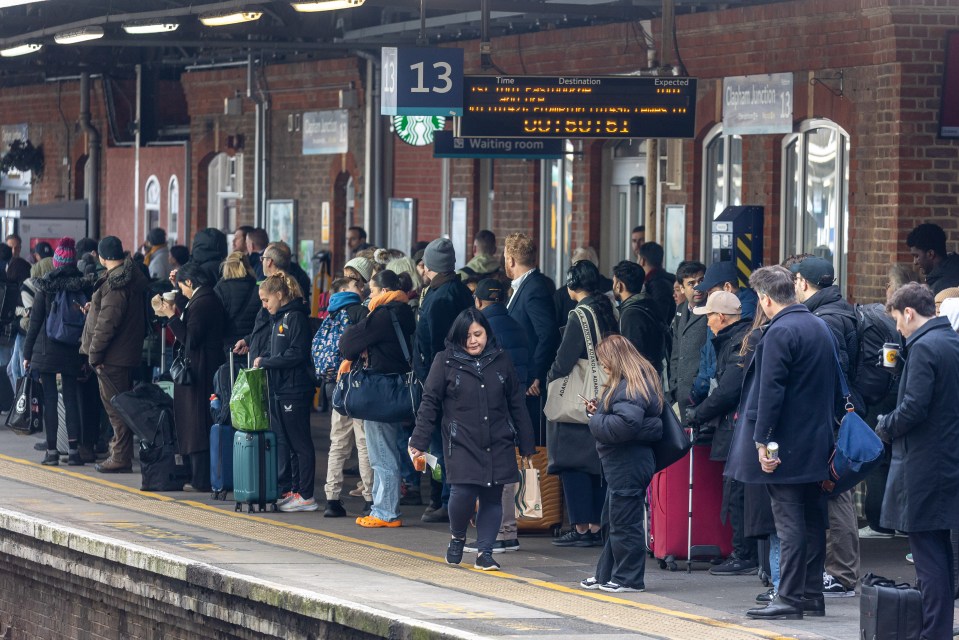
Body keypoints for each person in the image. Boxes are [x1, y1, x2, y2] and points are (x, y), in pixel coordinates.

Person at [726, 265, 840, 621]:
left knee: (788, 523)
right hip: (816, 442)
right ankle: (810, 595)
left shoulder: (779, 332)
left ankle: (788, 598)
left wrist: (762, 440)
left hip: (785, 445)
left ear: (764, 298)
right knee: (811, 521)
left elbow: (770, 391)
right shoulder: (818, 325)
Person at [410, 307, 535, 570]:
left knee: (493, 496)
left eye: (478, 334)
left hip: (498, 438)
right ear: (457, 337)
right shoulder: (444, 361)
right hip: (461, 440)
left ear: (488, 333)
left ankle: (485, 553)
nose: (473, 340)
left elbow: (516, 403)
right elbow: (429, 403)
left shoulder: (501, 360)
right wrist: (419, 441)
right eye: (467, 336)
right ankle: (457, 537)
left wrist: (526, 441)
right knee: (462, 492)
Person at [875, 282, 959, 639]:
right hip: (948, 458)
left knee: (928, 554)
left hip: (925, 463)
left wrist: (884, 426)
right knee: (941, 549)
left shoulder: (924, 347)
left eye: (897, 318)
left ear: (909, 312)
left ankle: (934, 631)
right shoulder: (952, 342)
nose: (897, 328)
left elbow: (914, 407)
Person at [790, 255, 861, 598]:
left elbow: (835, 372)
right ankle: (839, 571)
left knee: (836, 493)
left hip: (832, 418)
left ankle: (842, 573)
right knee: (834, 492)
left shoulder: (827, 320)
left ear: (803, 283)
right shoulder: (837, 311)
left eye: (795, 282)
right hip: (836, 416)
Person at [580, 334, 663, 593]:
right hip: (625, 461)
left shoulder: (629, 387)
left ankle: (629, 579)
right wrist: (601, 411)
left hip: (628, 462)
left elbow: (624, 426)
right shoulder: (633, 383)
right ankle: (606, 574)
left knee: (624, 523)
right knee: (614, 520)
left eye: (605, 361)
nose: (603, 366)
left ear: (616, 360)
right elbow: (632, 423)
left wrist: (595, 420)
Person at [548, 260, 619, 548]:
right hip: (605, 389)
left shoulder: (579, 314)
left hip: (580, 398)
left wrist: (550, 379)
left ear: (571, 285)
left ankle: (581, 526)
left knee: (571, 462)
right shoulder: (608, 309)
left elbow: (565, 360)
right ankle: (597, 524)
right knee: (596, 463)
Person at [684, 291, 755, 576]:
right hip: (736, 426)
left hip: (737, 428)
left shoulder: (738, 343)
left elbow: (728, 391)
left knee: (737, 491)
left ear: (721, 318)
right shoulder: (737, 339)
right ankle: (743, 552)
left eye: (709, 317)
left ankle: (744, 554)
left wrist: (697, 415)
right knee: (738, 490)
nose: (708, 323)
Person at [339, 269, 416, 528]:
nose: (368, 296)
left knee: (381, 453)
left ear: (383, 291)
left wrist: (360, 324)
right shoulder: (405, 311)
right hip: (397, 387)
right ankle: (383, 507)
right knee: (387, 449)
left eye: (371, 291)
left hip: (380, 390)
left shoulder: (383, 314)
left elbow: (348, 343)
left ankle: (385, 511)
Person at [463, 277, 529, 554]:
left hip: (491, 410)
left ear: (478, 302)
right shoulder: (518, 325)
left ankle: (497, 534)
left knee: (490, 476)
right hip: (516, 405)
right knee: (505, 471)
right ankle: (509, 532)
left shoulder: (483, 332)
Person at [413, 237, 474, 523]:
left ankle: (444, 499)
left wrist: (430, 378)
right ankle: (446, 498)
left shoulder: (438, 298)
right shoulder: (461, 291)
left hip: (440, 378)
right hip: (462, 375)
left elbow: (435, 343)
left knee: (439, 444)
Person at [155, 262, 226, 492]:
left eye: (182, 286)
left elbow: (191, 338)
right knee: (194, 422)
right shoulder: (203, 298)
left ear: (190, 283)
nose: (182, 292)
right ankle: (196, 476)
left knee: (197, 422)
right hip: (198, 369)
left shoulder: (204, 302)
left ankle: (201, 479)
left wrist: (170, 316)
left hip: (199, 372)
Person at [22, 238, 93, 466]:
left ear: (56, 263)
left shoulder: (45, 286)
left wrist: (27, 354)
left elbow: (34, 324)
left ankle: (52, 451)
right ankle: (73, 451)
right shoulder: (82, 286)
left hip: (46, 351)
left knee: (50, 400)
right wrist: (84, 356)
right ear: (72, 262)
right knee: (71, 400)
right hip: (72, 350)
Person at [81, 237, 148, 474]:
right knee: (119, 405)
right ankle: (120, 453)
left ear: (102, 257)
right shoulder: (126, 279)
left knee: (116, 408)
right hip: (122, 354)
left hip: (112, 357)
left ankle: (120, 456)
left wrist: (94, 353)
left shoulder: (116, 284)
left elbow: (108, 322)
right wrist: (94, 309)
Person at [254, 272, 317, 512]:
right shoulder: (279, 318)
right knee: (289, 443)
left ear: (279, 295)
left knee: (300, 443)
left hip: (295, 389)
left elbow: (297, 353)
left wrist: (267, 362)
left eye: (266, 300)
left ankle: (307, 495)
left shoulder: (295, 318)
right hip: (281, 388)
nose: (264, 305)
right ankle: (296, 489)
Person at [316, 276, 372, 517]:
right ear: (344, 290)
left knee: (338, 442)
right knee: (363, 442)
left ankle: (332, 498)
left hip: (335, 385)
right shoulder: (360, 312)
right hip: (357, 384)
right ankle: (370, 498)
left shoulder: (329, 314)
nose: (361, 288)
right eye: (356, 286)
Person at [504, 232, 560, 445]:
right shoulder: (526, 287)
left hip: (531, 383)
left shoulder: (534, 288)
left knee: (531, 442)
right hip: (522, 378)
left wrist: (535, 373)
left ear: (510, 259)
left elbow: (548, 333)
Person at [612, 260, 667, 376]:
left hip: (639, 382)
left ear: (619, 285)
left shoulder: (630, 315)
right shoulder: (648, 304)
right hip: (653, 376)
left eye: (614, 282)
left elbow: (632, 356)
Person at [668, 261, 707, 406]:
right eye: (691, 283)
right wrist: (674, 386)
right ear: (681, 288)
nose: (698, 287)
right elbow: (676, 352)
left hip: (702, 392)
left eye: (701, 281)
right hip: (681, 392)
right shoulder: (680, 309)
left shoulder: (713, 309)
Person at [214, 252, 261, 353]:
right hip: (251, 347)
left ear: (226, 267)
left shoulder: (220, 290)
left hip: (227, 350)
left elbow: (216, 323)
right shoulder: (258, 290)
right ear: (247, 267)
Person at [906, 222, 959, 293]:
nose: (915, 262)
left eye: (916, 256)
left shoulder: (939, 288)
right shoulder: (952, 270)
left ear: (930, 254)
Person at [637, 242, 675, 324]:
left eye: (638, 258)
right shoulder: (667, 279)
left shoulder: (657, 285)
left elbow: (659, 317)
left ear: (642, 261)